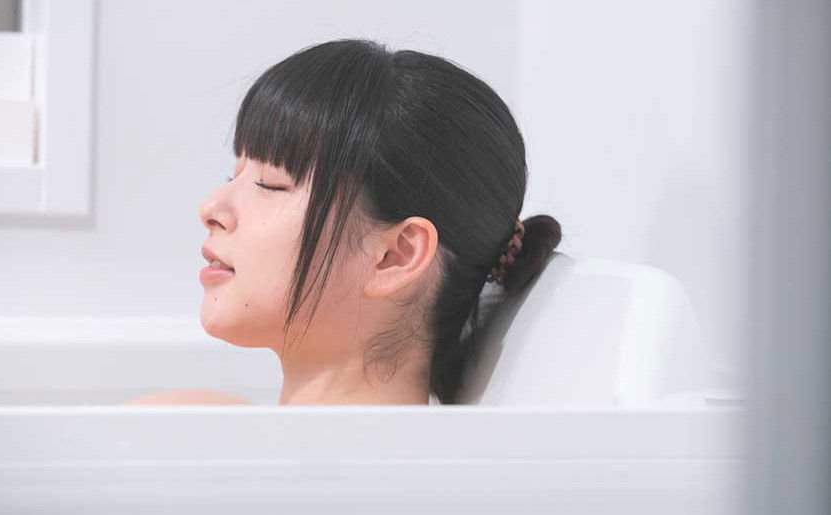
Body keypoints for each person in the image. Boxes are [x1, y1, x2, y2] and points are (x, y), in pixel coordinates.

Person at [126, 38, 561, 406]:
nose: (211, 207)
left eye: (271, 184)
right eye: (233, 176)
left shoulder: (191, 430)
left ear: (396, 255)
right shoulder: (202, 430)